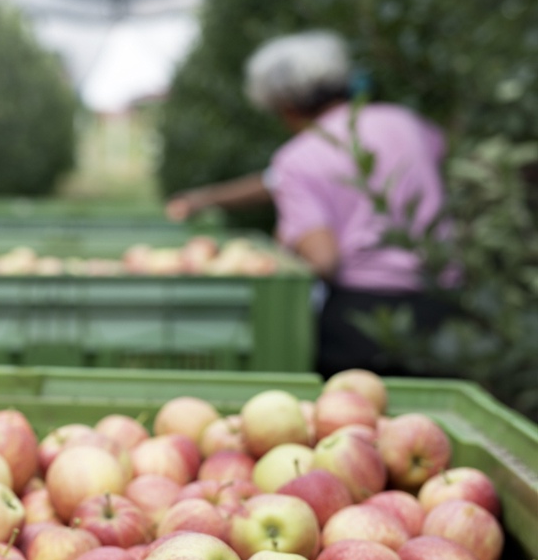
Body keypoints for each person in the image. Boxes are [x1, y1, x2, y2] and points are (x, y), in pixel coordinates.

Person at [166, 29, 457, 377]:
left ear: (286, 108)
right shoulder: (406, 123)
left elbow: (323, 259)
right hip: (446, 308)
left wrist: (287, 240)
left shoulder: (299, 158)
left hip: (363, 322)